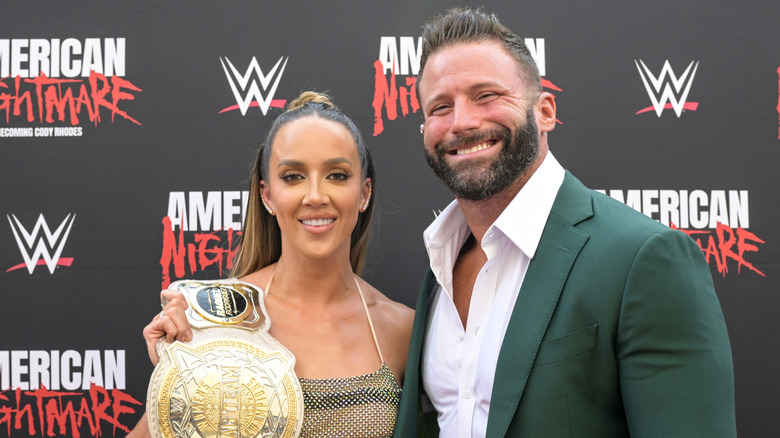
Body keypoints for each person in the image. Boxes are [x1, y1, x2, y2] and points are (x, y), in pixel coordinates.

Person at [393, 8, 736, 438]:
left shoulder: (643, 258)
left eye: (486, 96)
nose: (462, 122)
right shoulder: (439, 270)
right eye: (441, 106)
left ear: (546, 112)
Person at [130, 91, 414, 438]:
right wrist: (170, 382)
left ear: (365, 192)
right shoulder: (212, 317)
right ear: (267, 195)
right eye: (293, 176)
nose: (315, 195)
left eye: (337, 175)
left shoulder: (400, 329)